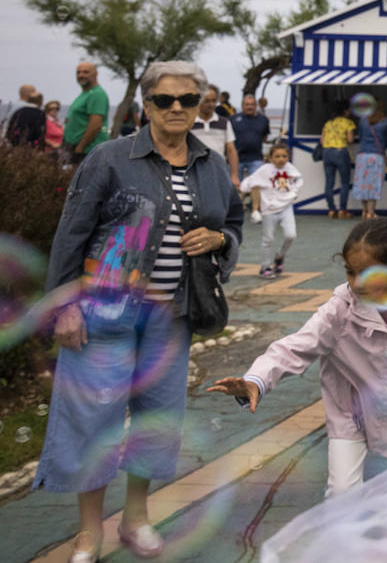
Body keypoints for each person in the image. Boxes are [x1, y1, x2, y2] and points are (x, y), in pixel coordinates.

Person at [33, 60, 242, 563]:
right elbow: (71, 234)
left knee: (159, 420)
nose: (177, 108)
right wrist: (64, 307)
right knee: (93, 422)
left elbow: (233, 223)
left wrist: (219, 239)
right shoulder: (109, 158)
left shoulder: (211, 167)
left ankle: (135, 518)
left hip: (174, 316)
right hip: (104, 315)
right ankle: (89, 533)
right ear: (146, 105)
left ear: (199, 106)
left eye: (187, 100)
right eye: (165, 100)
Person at [207, 219, 387, 497]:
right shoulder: (340, 310)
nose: (355, 284)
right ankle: (345, 536)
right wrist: (256, 380)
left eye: (366, 274)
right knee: (343, 491)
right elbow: (295, 346)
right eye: (350, 272)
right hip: (349, 415)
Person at [241, 142, 303, 278]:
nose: (281, 159)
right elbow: (251, 184)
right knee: (268, 239)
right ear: (270, 158)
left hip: (286, 207)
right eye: (277, 156)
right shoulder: (265, 170)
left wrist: (294, 193)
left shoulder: (291, 169)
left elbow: (298, 181)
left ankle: (280, 256)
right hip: (269, 209)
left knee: (290, 235)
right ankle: (265, 267)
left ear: (288, 157)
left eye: (284, 156)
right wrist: (255, 209)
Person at [61, 62, 109, 166]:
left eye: (86, 72)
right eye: (78, 72)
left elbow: (95, 125)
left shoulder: (97, 94)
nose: (81, 75)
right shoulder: (85, 93)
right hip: (72, 147)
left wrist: (79, 149)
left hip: (86, 151)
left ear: (95, 74)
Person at [352, 104, 387, 220]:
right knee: (373, 185)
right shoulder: (386, 122)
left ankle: (364, 211)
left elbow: (360, 136)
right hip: (377, 157)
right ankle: (371, 212)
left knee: (362, 183)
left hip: (362, 156)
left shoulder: (363, 121)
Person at [191, 84, 239, 181]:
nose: (211, 104)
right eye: (207, 101)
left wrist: (234, 175)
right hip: (194, 172)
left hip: (219, 171)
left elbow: (231, 150)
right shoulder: (189, 123)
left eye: (214, 101)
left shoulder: (224, 123)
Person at [321, 102, 356, 219]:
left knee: (329, 182)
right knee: (344, 182)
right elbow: (350, 139)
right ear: (345, 111)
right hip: (340, 152)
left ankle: (331, 209)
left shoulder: (328, 123)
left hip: (327, 152)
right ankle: (342, 210)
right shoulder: (348, 122)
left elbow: (322, 140)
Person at [231, 92, 272, 184]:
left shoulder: (263, 120)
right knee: (234, 187)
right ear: (242, 106)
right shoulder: (233, 119)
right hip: (236, 159)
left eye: (252, 104)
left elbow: (265, 137)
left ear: (256, 105)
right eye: (247, 104)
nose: (250, 107)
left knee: (257, 185)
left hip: (256, 159)